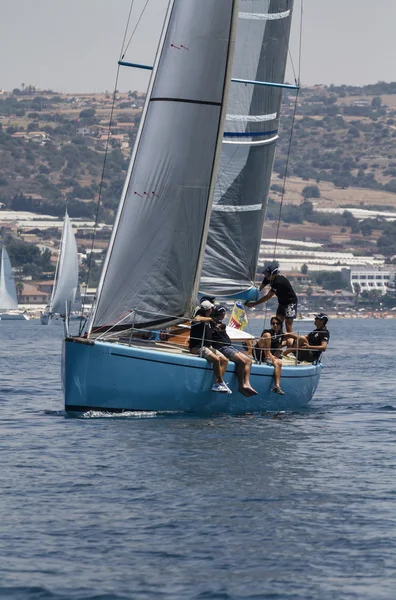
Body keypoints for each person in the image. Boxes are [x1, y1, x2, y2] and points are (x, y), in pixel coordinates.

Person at [211, 306, 258, 397]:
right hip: (222, 348)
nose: (223, 314)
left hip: (229, 346)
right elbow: (215, 327)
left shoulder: (222, 324)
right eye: (222, 312)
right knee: (242, 362)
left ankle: (247, 383)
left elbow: (221, 327)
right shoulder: (213, 323)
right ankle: (240, 386)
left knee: (249, 361)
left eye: (223, 312)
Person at [189, 300, 230, 393]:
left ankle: (217, 383)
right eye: (211, 308)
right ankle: (220, 382)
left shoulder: (208, 318)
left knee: (225, 360)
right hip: (198, 347)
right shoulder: (201, 317)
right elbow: (197, 319)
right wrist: (210, 319)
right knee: (216, 359)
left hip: (208, 347)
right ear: (208, 310)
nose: (212, 310)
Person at [246, 266, 298, 333]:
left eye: (268, 275)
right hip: (282, 302)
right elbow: (259, 289)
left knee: (288, 324)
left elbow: (268, 296)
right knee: (278, 323)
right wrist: (249, 297)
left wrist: (254, 304)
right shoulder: (268, 278)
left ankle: (291, 341)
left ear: (274, 274)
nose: (266, 276)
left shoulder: (278, 282)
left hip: (290, 302)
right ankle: (279, 340)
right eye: (266, 275)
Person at [253, 316, 286, 395]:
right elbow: (264, 343)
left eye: (277, 323)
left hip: (270, 355)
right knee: (267, 335)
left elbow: (290, 337)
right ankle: (267, 356)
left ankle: (277, 386)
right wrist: (270, 355)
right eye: (273, 323)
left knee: (279, 363)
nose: (275, 325)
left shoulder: (281, 335)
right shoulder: (267, 331)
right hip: (259, 352)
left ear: (280, 325)